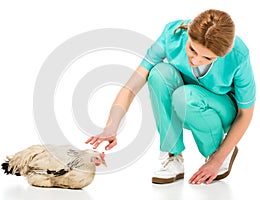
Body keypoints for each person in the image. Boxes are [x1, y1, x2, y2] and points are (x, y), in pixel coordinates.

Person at [85, 9, 256, 184]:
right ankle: (173, 155)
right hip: (182, 101)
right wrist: (111, 127)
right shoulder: (173, 34)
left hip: (221, 110)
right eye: (192, 50)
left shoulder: (238, 55)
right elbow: (131, 87)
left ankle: (217, 151)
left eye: (207, 58)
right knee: (159, 72)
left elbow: (245, 114)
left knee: (186, 96)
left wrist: (218, 159)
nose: (196, 60)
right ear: (188, 34)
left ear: (222, 55)